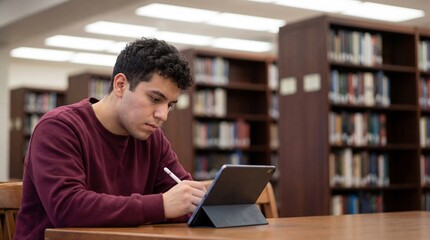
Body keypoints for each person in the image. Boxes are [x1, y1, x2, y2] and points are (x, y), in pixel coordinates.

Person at [14, 38, 206, 240]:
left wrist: (185, 202)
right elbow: (68, 208)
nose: (163, 115)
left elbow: (186, 202)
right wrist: (161, 205)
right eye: (155, 99)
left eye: (170, 105)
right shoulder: (58, 128)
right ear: (121, 85)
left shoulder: (153, 138)